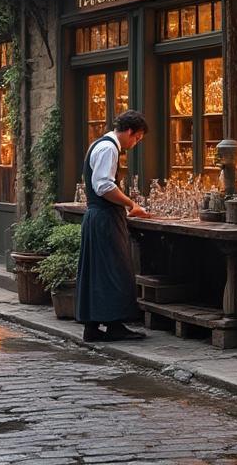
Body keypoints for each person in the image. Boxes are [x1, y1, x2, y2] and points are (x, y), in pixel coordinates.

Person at [76, 110, 151, 342]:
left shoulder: (99, 144)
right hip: (104, 217)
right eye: (137, 138)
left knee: (98, 270)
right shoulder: (109, 148)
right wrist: (131, 204)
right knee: (115, 269)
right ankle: (115, 325)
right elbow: (104, 186)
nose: (135, 143)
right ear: (130, 131)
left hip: (97, 216)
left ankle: (93, 326)